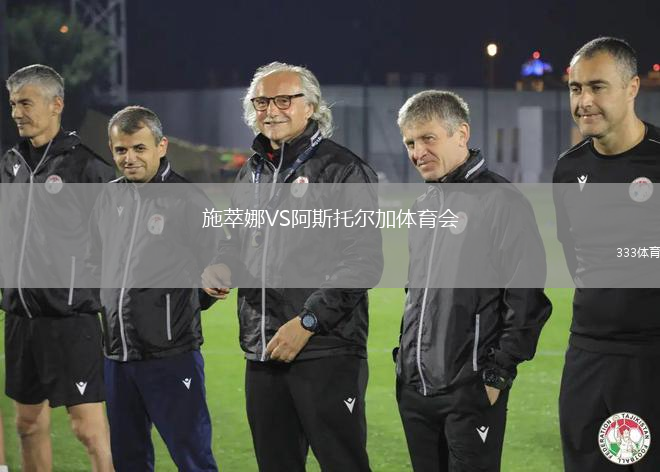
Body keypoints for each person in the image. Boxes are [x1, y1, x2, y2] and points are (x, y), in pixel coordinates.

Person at [202, 62, 383, 472]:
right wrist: (221, 267)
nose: (271, 110)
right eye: (262, 102)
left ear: (311, 106)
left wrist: (307, 322)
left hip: (325, 350)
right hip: (262, 350)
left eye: (284, 100)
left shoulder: (343, 170)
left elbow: (364, 261)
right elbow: (234, 241)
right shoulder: (252, 172)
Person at [394, 90, 552, 471]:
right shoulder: (422, 207)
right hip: (415, 390)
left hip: (470, 391)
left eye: (428, 138)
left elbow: (526, 298)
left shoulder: (502, 201)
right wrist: (404, 362)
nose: (418, 152)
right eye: (410, 143)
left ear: (461, 134)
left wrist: (498, 374)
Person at [87, 106, 219, 471]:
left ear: (161, 146)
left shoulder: (188, 199)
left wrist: (175, 311)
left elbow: (218, 261)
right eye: (121, 150)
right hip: (117, 356)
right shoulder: (108, 198)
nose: (129, 158)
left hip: (171, 355)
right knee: (129, 459)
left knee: (192, 458)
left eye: (139, 148)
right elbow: (95, 263)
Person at [0, 64, 114, 472]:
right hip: (20, 319)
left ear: (56, 105)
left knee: (88, 431)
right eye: (13, 104)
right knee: (28, 425)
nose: (17, 113)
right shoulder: (11, 163)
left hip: (70, 320)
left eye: (26, 103)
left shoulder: (87, 167)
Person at [554, 37, 660, 471]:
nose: (584, 101)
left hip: (651, 358)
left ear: (632, 87)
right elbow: (574, 255)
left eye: (597, 87)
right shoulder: (568, 169)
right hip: (587, 355)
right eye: (576, 88)